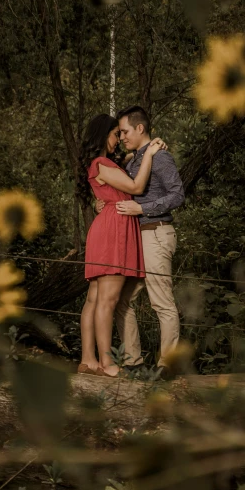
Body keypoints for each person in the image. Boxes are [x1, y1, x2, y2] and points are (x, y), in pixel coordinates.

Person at [96, 106, 185, 379]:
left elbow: (177, 195)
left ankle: (167, 367)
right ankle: (133, 362)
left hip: (156, 233)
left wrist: (143, 210)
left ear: (140, 128)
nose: (121, 137)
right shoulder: (134, 161)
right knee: (123, 300)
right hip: (135, 238)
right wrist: (105, 204)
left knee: (161, 302)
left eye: (124, 131)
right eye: (119, 133)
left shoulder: (161, 158)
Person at [77, 113, 166, 377]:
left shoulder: (102, 163)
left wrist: (134, 156)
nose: (119, 139)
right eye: (116, 134)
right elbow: (137, 186)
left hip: (106, 226)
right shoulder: (102, 163)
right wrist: (149, 153)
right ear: (104, 134)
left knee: (94, 299)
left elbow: (119, 172)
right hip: (113, 230)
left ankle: (88, 360)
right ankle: (108, 364)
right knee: (108, 299)